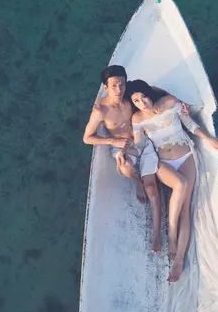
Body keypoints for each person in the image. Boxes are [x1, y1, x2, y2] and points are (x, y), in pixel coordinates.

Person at [82, 65, 191, 254]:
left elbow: (154, 91)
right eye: (114, 86)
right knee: (125, 168)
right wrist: (113, 140)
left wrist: (180, 104)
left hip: (142, 142)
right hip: (120, 146)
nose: (119, 90)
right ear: (105, 87)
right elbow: (87, 138)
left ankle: (156, 234)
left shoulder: (130, 94)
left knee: (153, 191)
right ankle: (137, 180)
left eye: (122, 84)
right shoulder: (100, 110)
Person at [126, 79, 218, 282]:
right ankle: (170, 234)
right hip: (163, 163)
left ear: (149, 93)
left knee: (185, 208)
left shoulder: (170, 102)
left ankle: (178, 260)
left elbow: (190, 124)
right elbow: (140, 145)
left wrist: (208, 138)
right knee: (180, 184)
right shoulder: (137, 119)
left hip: (186, 156)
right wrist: (124, 153)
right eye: (136, 101)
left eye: (143, 97)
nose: (142, 103)